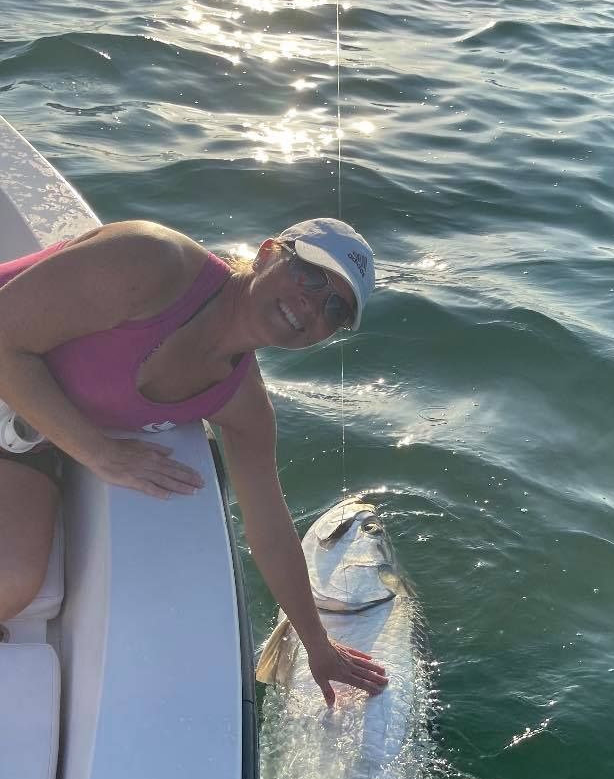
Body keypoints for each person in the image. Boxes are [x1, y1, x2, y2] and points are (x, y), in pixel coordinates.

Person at [0, 216, 387, 706]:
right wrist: (100, 453)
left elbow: (269, 529)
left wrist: (317, 645)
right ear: (268, 252)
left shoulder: (241, 404)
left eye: (336, 308)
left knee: (11, 583)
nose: (314, 303)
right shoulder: (152, 259)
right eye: (310, 274)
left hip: (20, 439)